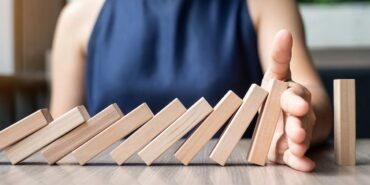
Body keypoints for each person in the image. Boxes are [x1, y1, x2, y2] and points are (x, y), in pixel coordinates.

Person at [50, 0, 333, 172]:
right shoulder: (77, 18)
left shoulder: (265, 3)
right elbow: (59, 145)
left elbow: (313, 96)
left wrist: (298, 117)